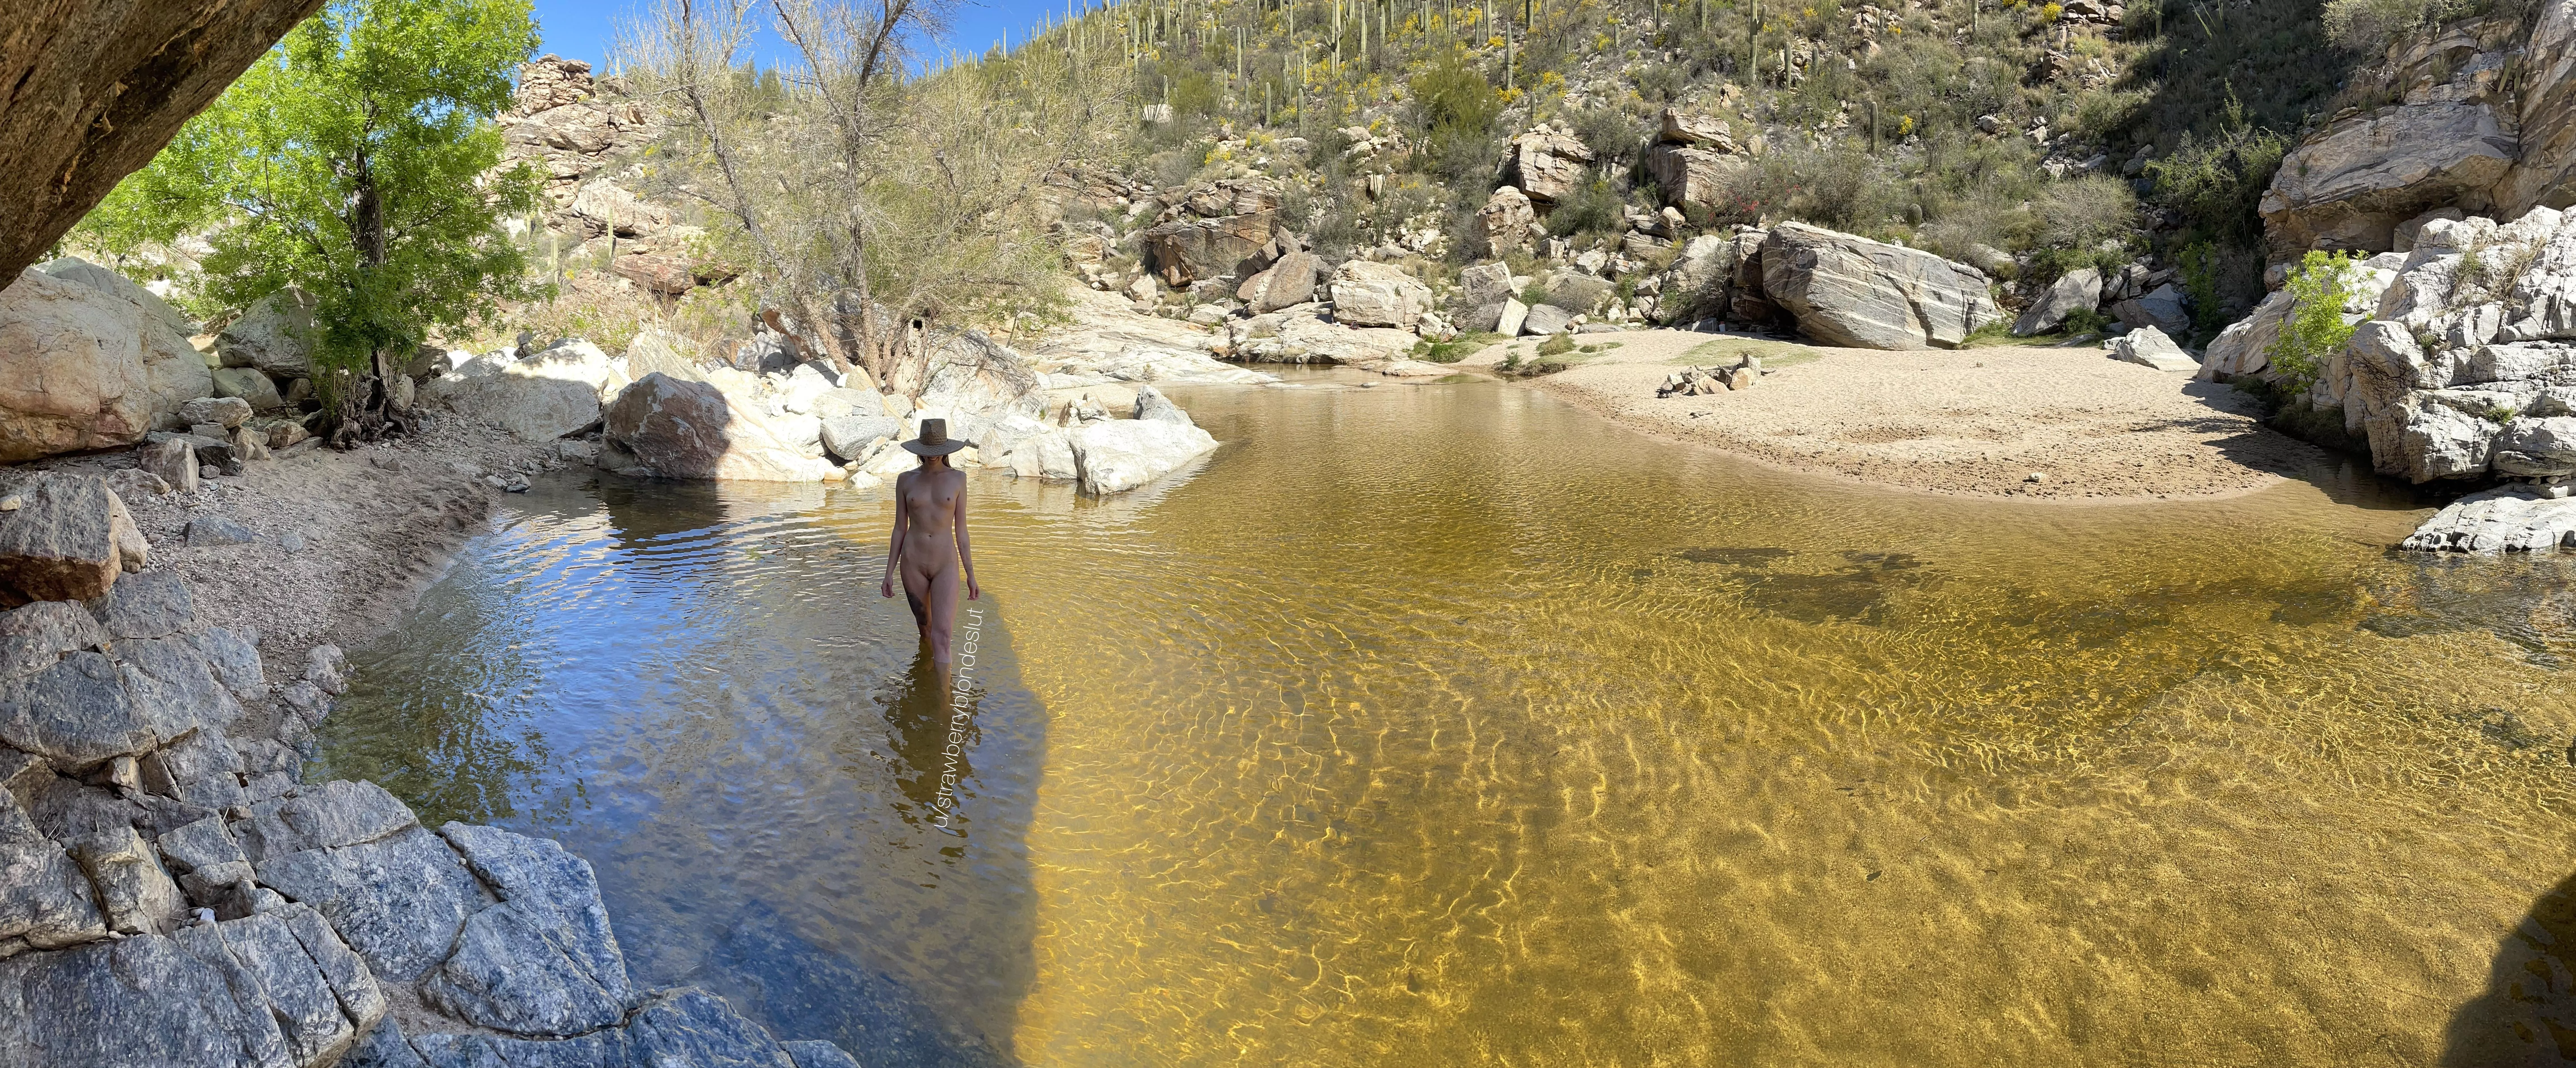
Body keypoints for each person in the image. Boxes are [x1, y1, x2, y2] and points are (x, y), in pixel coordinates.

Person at [881, 419, 980, 666]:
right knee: (925, 630)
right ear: (919, 451)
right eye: (927, 453)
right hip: (913, 563)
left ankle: (943, 703)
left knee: (943, 636)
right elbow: (899, 528)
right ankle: (925, 681)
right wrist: (888, 572)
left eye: (937, 452)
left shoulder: (959, 479)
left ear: (946, 450)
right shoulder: (906, 480)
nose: (932, 457)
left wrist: (971, 574)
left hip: (945, 564)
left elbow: (963, 530)